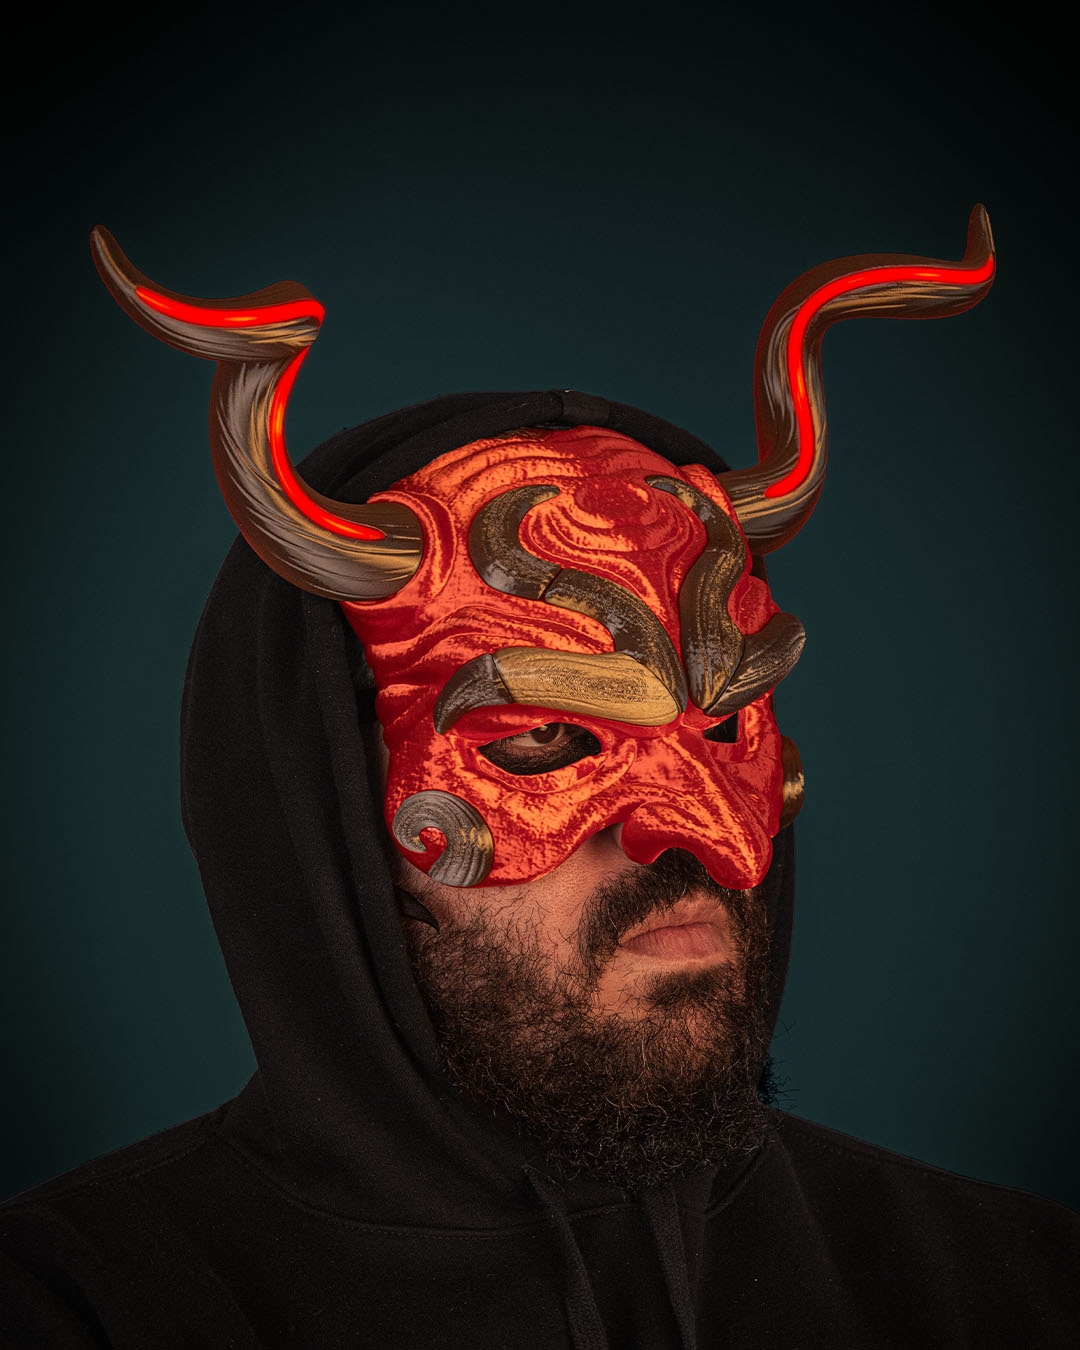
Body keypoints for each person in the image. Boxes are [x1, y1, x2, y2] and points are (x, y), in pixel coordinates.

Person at [2, 211, 1077, 1349]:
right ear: (325, 814)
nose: (706, 840)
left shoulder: (1010, 1294)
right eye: (549, 738)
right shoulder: (74, 1310)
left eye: (723, 724)